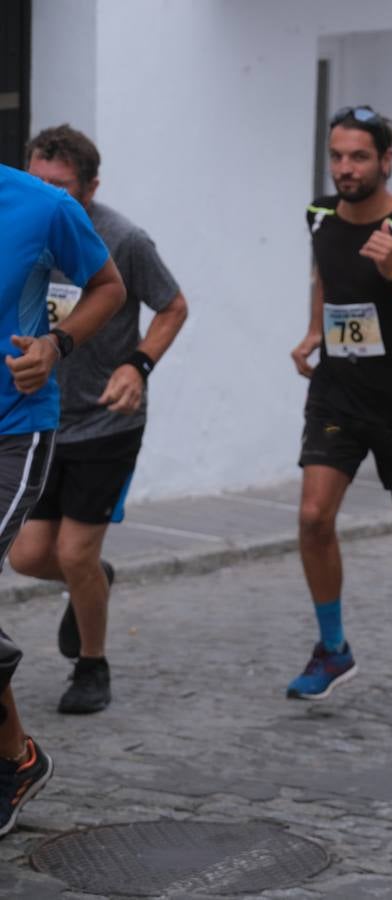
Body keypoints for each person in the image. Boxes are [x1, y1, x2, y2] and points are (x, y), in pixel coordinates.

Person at [9, 126, 189, 715]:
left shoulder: (123, 238)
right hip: (42, 424)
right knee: (31, 557)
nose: (48, 193)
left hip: (105, 420)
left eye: (61, 185)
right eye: (37, 180)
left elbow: (172, 306)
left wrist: (138, 366)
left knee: (76, 552)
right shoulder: (25, 220)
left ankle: (92, 666)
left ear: (91, 187)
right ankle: (93, 583)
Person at [286, 106, 392, 700]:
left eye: (358, 156)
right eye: (336, 155)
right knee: (312, 517)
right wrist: (314, 331)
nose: (345, 168)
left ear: (386, 159)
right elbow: (325, 280)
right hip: (336, 392)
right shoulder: (318, 215)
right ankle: (333, 649)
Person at [0, 163, 126, 837]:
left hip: (12, 430)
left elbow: (108, 287)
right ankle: (16, 758)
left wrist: (56, 343)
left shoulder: (42, 207)